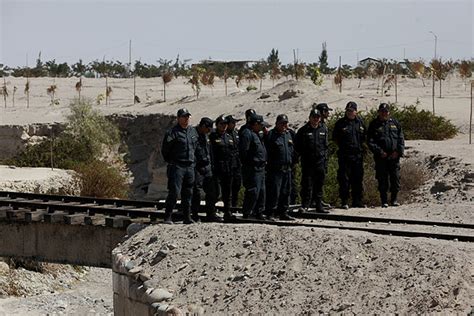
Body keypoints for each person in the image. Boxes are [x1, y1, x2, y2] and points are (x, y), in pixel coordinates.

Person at [161, 108, 198, 224]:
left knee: (188, 193)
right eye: (183, 116)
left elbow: (195, 147)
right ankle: (167, 217)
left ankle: (187, 217)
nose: (186, 119)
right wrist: (173, 162)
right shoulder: (172, 133)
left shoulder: (193, 131)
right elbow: (165, 151)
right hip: (177, 166)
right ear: (178, 118)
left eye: (187, 116)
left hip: (190, 166)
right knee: (174, 192)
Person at [367, 103, 405, 208]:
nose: (384, 113)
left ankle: (394, 200)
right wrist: (379, 152)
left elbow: (401, 139)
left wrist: (398, 151)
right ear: (379, 112)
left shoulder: (395, 123)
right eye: (382, 111)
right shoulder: (374, 124)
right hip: (381, 157)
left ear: (389, 112)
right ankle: (384, 201)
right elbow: (370, 141)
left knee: (395, 178)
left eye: (386, 111)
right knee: (382, 179)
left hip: (394, 157)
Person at [295, 108, 330, 213]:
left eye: (317, 117)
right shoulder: (303, 130)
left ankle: (319, 205)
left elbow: (326, 146)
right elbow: (297, 147)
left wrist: (325, 161)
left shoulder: (323, 129)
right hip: (308, 163)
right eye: (313, 117)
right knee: (307, 185)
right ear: (309, 118)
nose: (315, 119)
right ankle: (305, 205)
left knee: (319, 184)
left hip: (320, 162)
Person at [333, 101, 367, 209]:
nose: (349, 112)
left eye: (351, 111)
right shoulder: (340, 123)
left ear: (356, 112)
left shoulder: (360, 123)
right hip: (345, 156)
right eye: (347, 110)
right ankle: (344, 201)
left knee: (357, 179)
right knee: (344, 179)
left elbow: (364, 138)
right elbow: (335, 138)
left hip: (357, 156)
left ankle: (357, 201)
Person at [265, 114, 295, 221]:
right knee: (274, 192)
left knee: (286, 192)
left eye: (285, 123)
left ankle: (283, 212)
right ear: (277, 123)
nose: (284, 125)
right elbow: (267, 151)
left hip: (287, 168)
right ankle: (270, 213)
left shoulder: (288, 134)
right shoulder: (271, 135)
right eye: (282, 123)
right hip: (275, 169)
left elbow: (292, 150)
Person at [191, 117, 222, 222]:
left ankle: (211, 214)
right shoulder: (193, 134)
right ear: (203, 126)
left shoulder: (206, 136)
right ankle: (195, 214)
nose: (209, 131)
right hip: (197, 167)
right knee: (197, 193)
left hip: (207, 166)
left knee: (213, 191)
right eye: (208, 128)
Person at [239, 113, 267, 219]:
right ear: (255, 124)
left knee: (261, 191)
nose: (262, 127)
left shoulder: (256, 133)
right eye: (260, 125)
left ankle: (259, 212)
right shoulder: (247, 133)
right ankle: (247, 212)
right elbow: (243, 151)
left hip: (260, 167)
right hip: (252, 168)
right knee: (253, 191)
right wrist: (250, 164)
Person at [210, 115, 237, 222]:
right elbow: (210, 152)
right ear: (217, 125)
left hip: (228, 168)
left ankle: (227, 212)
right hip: (216, 168)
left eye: (225, 124)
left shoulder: (229, 137)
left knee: (227, 192)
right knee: (215, 192)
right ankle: (211, 212)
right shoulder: (212, 137)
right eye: (221, 124)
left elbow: (234, 152)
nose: (224, 126)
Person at [225, 114, 242, 208]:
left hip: (237, 164)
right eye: (232, 123)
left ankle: (234, 205)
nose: (234, 124)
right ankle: (228, 207)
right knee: (228, 187)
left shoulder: (236, 134)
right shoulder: (224, 134)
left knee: (237, 185)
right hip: (229, 165)